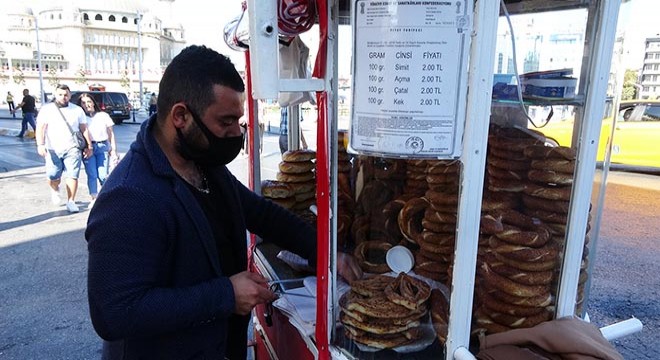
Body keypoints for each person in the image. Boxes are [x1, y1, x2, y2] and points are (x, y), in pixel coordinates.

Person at [85, 45, 361, 360]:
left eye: (238, 121)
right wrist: (225, 295)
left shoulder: (204, 164)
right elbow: (115, 313)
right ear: (181, 116)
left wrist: (326, 253)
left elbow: (262, 214)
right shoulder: (130, 197)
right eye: (226, 122)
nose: (235, 133)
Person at [35, 84, 92, 213]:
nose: (63, 97)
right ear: (55, 95)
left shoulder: (77, 110)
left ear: (70, 95)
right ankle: (55, 189)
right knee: (53, 175)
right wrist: (40, 144)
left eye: (66, 95)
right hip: (52, 149)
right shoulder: (47, 109)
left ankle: (71, 201)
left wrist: (89, 145)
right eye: (60, 94)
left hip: (72, 148)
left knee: (73, 175)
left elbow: (84, 129)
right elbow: (41, 128)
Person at [78, 93, 118, 203]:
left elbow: (111, 133)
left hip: (102, 146)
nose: (87, 105)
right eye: (83, 103)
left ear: (93, 103)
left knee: (103, 175)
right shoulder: (81, 118)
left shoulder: (103, 116)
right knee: (92, 174)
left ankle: (105, 196)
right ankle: (94, 198)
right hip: (88, 148)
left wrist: (113, 149)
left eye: (89, 102)